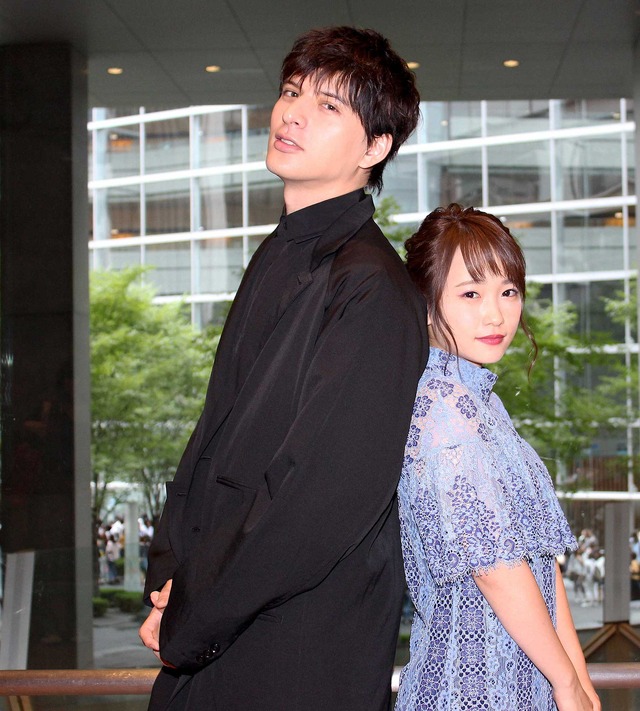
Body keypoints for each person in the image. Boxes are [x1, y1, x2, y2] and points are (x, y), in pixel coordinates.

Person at [139, 25, 428, 711]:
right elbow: (214, 434)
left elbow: (319, 498)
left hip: (296, 646)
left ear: (376, 146)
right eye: (292, 92)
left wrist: (193, 614)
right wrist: (171, 573)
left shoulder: (372, 287)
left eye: (329, 105)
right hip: (222, 624)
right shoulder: (280, 253)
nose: (292, 113)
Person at [395, 204, 600, 710]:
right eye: (471, 294)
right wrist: (568, 681)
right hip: (470, 692)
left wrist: (579, 680)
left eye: (508, 291)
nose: (496, 314)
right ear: (425, 303)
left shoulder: (481, 403)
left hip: (525, 683)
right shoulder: (440, 411)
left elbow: (540, 562)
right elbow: (495, 569)